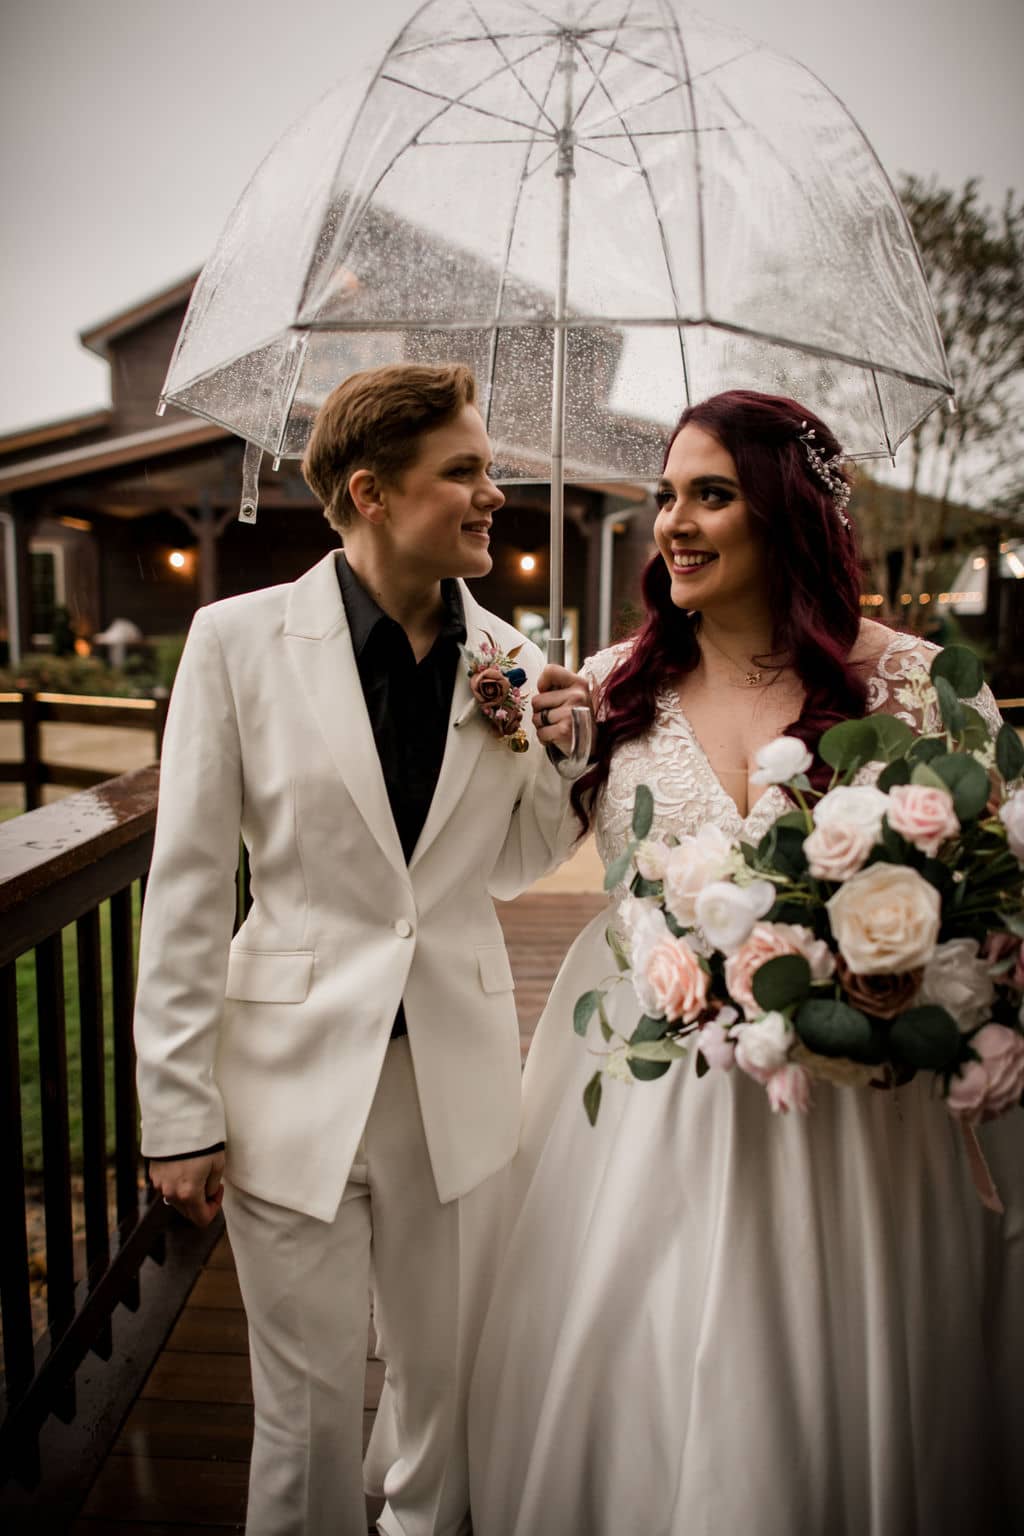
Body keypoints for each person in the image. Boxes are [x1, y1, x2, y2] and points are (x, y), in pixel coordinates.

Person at [467, 390, 1023, 1535]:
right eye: (666, 494)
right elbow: (508, 858)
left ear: (787, 517)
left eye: (710, 494)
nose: (673, 520)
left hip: (865, 1112)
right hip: (656, 1111)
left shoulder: (921, 684)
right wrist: (518, 748)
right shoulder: (611, 684)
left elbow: (997, 884)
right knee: (657, 1365)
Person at [133, 362, 593, 1536]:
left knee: (444, 1398)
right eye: (467, 472)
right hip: (287, 1082)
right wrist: (175, 1112)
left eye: (492, 469)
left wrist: (565, 757)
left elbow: (512, 863)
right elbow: (186, 887)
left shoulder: (506, 651)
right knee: (304, 1410)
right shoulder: (235, 641)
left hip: (457, 1075)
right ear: (372, 491)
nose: (494, 493)